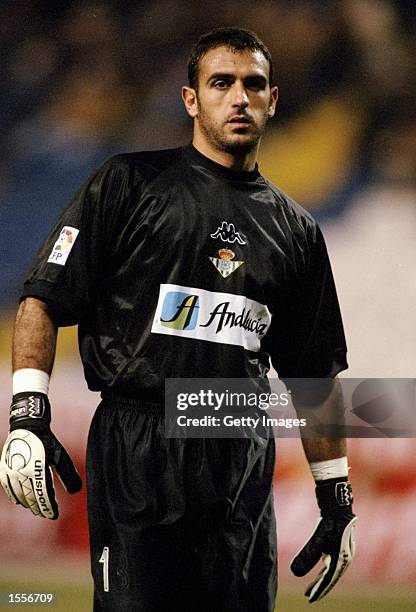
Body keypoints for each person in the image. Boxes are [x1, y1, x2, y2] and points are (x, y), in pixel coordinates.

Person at [0, 28, 356, 611]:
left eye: (253, 84)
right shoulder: (126, 184)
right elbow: (42, 298)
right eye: (221, 83)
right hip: (137, 447)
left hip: (238, 453)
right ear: (191, 100)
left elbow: (314, 378)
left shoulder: (297, 232)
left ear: (274, 99)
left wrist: (336, 493)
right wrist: (26, 416)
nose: (239, 97)